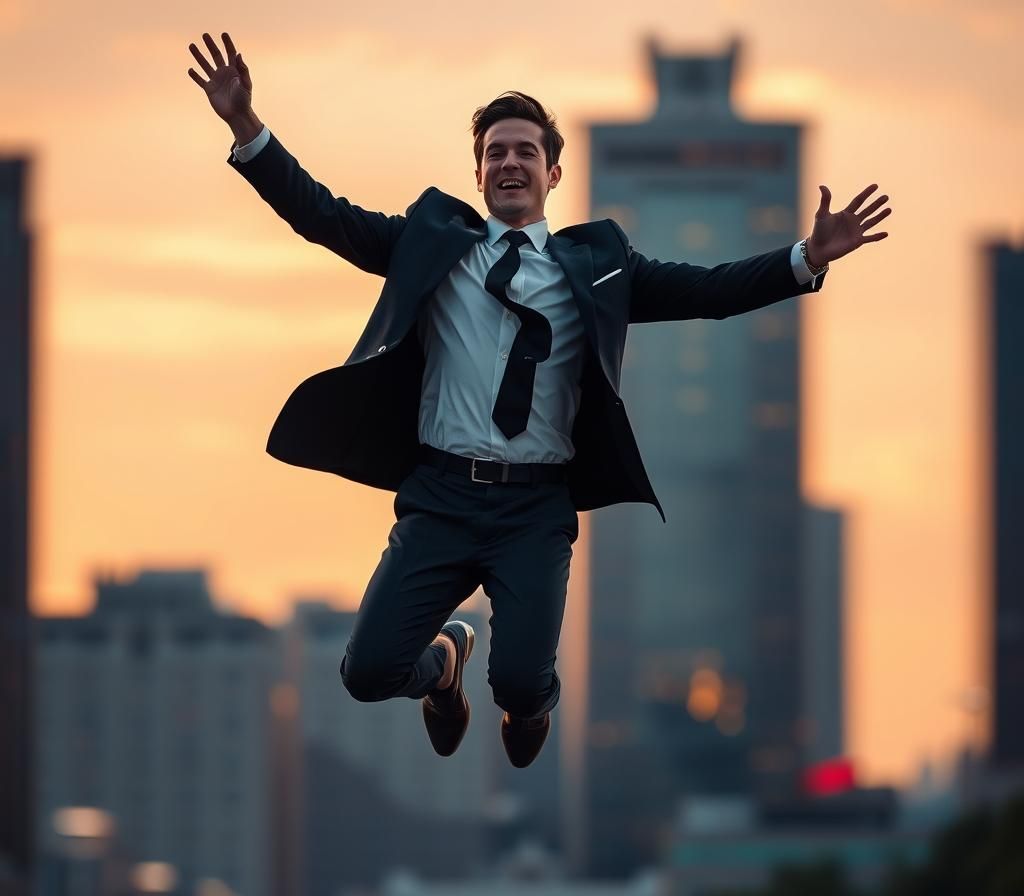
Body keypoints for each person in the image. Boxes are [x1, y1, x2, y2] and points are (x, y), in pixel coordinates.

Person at [187, 31, 891, 768]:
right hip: (441, 498)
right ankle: (444, 665)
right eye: (496, 152)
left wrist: (804, 259)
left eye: (525, 151)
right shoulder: (435, 245)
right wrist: (245, 127)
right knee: (365, 673)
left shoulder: (600, 268)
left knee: (522, 686)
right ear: (480, 174)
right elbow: (320, 214)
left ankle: (527, 702)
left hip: (533, 511)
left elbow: (709, 291)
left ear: (553, 173)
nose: (510, 162)